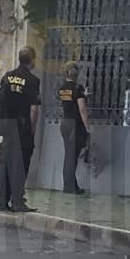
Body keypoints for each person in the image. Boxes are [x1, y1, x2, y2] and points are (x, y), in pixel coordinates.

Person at [0, 46, 40, 213]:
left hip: (6, 125)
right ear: (32, 60)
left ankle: (2, 201)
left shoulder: (8, 76)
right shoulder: (32, 80)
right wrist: (32, 129)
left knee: (6, 163)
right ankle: (18, 201)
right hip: (22, 126)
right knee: (20, 163)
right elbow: (34, 109)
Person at [58, 62, 92, 194]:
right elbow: (82, 109)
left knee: (68, 156)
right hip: (75, 125)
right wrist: (87, 128)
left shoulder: (62, 88)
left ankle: (70, 185)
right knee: (72, 157)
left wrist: (83, 96)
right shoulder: (78, 88)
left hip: (65, 123)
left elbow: (69, 102)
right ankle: (70, 187)